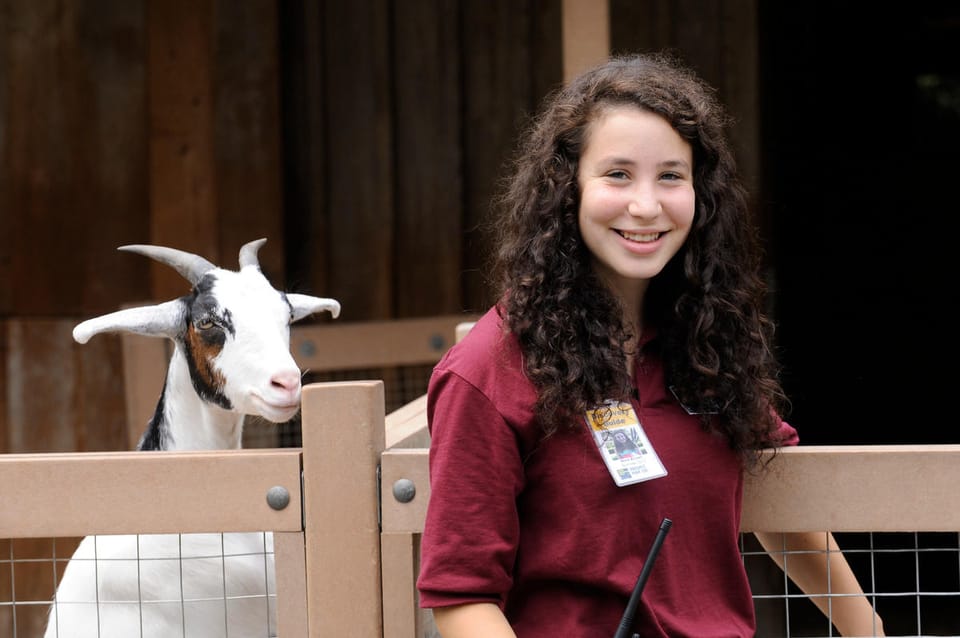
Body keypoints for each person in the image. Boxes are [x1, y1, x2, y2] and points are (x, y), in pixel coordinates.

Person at [415, 52, 885, 637]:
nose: (645, 205)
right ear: (567, 190)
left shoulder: (706, 342)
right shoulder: (492, 367)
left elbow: (787, 508)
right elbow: (462, 597)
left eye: (670, 175)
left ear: (701, 193)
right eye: (617, 174)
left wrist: (871, 631)